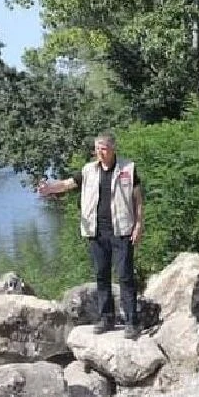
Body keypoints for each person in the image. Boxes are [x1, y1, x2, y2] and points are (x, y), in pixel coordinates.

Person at [38, 132, 144, 339]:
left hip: (122, 230)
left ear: (113, 149)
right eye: (97, 148)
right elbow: (68, 184)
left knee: (125, 276)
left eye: (103, 148)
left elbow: (138, 199)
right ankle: (106, 318)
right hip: (96, 231)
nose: (99, 152)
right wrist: (49, 188)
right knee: (101, 276)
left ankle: (132, 322)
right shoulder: (89, 170)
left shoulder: (128, 168)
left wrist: (139, 224)